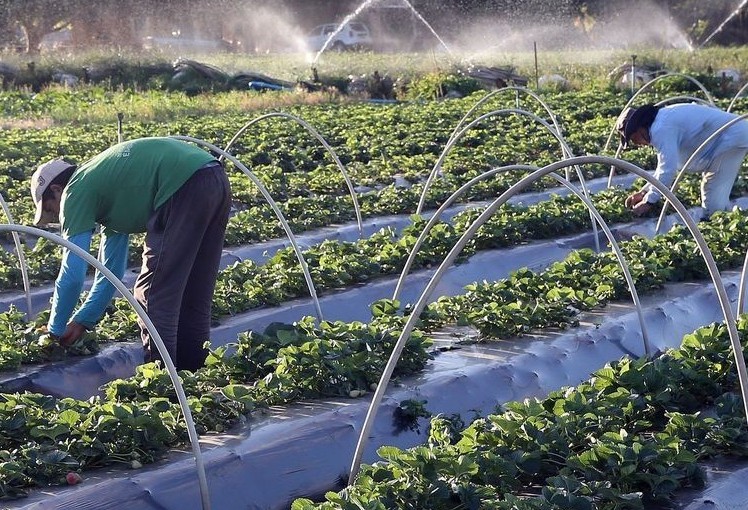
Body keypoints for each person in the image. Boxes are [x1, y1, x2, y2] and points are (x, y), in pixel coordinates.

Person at [31, 137, 231, 371]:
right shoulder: (105, 187)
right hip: (213, 176)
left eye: (49, 208)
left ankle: (164, 382)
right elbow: (111, 272)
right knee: (193, 291)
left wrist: (54, 330)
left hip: (181, 184)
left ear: (56, 190)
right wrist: (83, 319)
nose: (55, 216)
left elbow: (73, 272)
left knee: (152, 294)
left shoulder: (75, 190)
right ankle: (193, 376)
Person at [616, 102, 748, 216]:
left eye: (634, 138)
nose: (637, 143)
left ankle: (716, 228)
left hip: (731, 138)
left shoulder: (661, 129)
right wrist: (644, 192)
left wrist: (649, 201)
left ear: (640, 128)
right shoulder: (661, 121)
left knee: (713, 189)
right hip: (727, 138)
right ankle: (722, 222)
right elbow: (662, 168)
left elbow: (667, 170)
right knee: (716, 190)